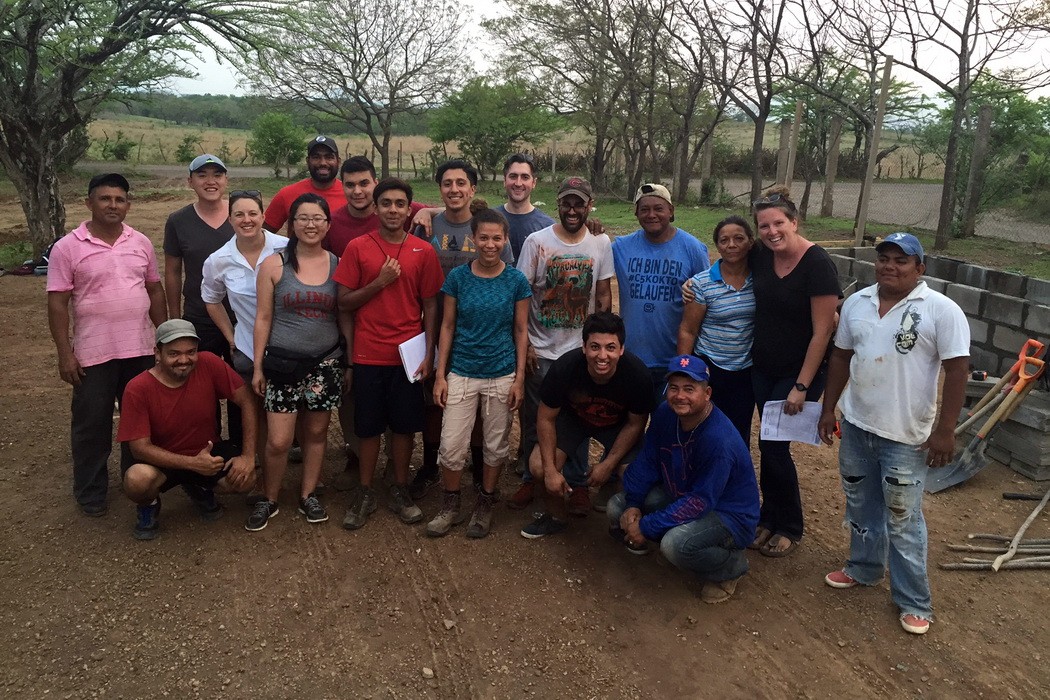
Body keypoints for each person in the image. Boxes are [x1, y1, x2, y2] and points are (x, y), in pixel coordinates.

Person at [818, 233, 969, 635]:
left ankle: (914, 600)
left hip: (906, 436)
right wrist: (828, 409)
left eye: (901, 261)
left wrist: (945, 431)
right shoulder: (857, 303)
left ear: (920, 268)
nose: (890, 266)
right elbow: (841, 357)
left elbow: (958, 370)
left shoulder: (941, 310)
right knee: (860, 504)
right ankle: (864, 568)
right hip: (856, 426)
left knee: (903, 518)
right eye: (884, 258)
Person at [46, 173, 166, 516]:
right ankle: (91, 491)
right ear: (89, 203)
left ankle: (136, 481)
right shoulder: (67, 247)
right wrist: (65, 354)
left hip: (140, 350)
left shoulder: (140, 242)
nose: (113, 205)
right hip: (92, 354)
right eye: (105, 198)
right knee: (91, 424)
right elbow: (57, 303)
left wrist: (163, 338)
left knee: (138, 424)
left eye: (119, 199)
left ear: (128, 205)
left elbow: (154, 290)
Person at [334, 178, 444, 530]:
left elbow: (430, 305)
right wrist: (379, 282)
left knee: (404, 426)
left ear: (409, 209)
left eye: (400, 204)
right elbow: (343, 302)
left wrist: (429, 353)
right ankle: (365, 490)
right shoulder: (357, 248)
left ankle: (399, 487)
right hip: (368, 355)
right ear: (375, 208)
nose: (393, 210)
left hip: (407, 358)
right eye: (386, 203)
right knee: (368, 428)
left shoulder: (423, 251)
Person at [607, 354, 759, 604]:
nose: (680, 396)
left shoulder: (718, 440)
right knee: (617, 508)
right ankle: (672, 536)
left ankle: (731, 567)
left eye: (689, 389)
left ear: (707, 393)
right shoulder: (666, 413)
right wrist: (634, 503)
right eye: (674, 388)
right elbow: (648, 460)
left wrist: (646, 526)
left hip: (727, 514)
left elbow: (700, 501)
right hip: (682, 491)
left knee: (674, 545)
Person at [509, 176, 614, 515]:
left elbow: (602, 294)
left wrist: (599, 345)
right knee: (534, 416)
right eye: (566, 203)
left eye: (578, 204)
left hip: (579, 351)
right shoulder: (537, 241)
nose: (572, 210)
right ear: (558, 204)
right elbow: (522, 295)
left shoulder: (600, 243)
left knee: (579, 417)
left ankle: (578, 483)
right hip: (541, 349)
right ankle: (531, 476)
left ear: (589, 205)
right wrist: (525, 345)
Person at [410, 160, 513, 499]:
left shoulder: (487, 228)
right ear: (439, 188)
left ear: (472, 189)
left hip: (478, 331)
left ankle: (479, 465)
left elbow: (506, 280)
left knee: (480, 401)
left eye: (461, 183)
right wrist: (426, 211)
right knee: (433, 398)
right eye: (447, 183)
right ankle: (430, 463)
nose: (454, 189)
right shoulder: (426, 226)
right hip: (434, 324)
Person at [426, 208, 531, 538]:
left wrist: (519, 378)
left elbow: (521, 330)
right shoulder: (458, 278)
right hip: (462, 369)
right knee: (451, 444)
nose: (490, 244)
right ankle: (451, 502)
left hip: (501, 371)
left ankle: (485, 501)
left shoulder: (516, 281)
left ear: (505, 240)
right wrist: (440, 374)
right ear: (473, 239)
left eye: (496, 238)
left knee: (495, 444)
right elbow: (447, 325)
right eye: (483, 238)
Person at [749, 186, 840, 557]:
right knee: (768, 443)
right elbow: (729, 262)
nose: (772, 232)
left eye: (778, 224)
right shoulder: (761, 255)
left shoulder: (817, 264)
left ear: (794, 222)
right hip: (763, 367)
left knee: (773, 446)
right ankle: (768, 518)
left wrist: (802, 386)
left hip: (800, 372)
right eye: (764, 226)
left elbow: (824, 330)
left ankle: (789, 525)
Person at [247, 194, 345, 531]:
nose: (310, 225)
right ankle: (269, 497)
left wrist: (348, 363)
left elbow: (343, 314)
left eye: (318, 218)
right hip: (283, 365)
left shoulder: (337, 264)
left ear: (328, 225)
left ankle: (308, 494)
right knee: (278, 440)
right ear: (292, 224)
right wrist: (258, 367)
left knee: (316, 433)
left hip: (325, 362)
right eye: (303, 218)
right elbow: (263, 318)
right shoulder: (273, 265)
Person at [117, 320, 259, 540]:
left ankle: (199, 485)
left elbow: (247, 400)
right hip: (161, 459)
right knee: (137, 481)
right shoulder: (138, 388)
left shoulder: (209, 363)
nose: (184, 360)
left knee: (246, 479)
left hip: (205, 452)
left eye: (190, 352)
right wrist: (193, 464)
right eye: (174, 353)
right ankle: (149, 504)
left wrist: (248, 455)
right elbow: (140, 448)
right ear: (158, 353)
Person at [520, 312, 652, 539]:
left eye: (611, 347)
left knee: (633, 473)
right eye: (595, 347)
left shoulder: (638, 375)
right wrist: (550, 471)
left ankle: (621, 524)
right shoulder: (565, 367)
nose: (602, 356)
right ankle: (556, 517)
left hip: (616, 425)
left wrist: (608, 464)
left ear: (621, 349)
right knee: (539, 466)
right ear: (583, 347)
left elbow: (635, 424)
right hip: (573, 420)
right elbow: (545, 418)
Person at [200, 190, 288, 493]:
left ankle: (302, 476)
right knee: (258, 413)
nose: (246, 220)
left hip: (288, 346)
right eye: (239, 214)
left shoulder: (285, 248)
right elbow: (211, 300)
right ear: (230, 219)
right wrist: (230, 337)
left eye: (252, 213)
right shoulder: (219, 260)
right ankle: (263, 475)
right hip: (249, 350)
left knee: (295, 413)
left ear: (263, 216)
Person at [163, 154, 241, 447]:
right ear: (190, 181)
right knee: (200, 385)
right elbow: (173, 271)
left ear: (226, 179)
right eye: (202, 175)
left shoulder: (241, 214)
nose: (211, 181)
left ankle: (240, 447)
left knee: (239, 384)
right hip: (198, 317)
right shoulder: (178, 221)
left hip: (240, 317)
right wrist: (175, 319)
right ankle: (207, 447)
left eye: (217, 175)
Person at [612, 183, 710, 403]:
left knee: (668, 420)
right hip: (631, 358)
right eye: (644, 209)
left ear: (671, 211)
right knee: (632, 419)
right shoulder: (620, 247)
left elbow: (706, 299)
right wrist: (593, 228)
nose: (651, 215)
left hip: (674, 360)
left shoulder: (693, 249)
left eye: (659, 208)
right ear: (636, 213)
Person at [678, 216, 757, 445]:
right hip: (710, 366)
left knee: (738, 431)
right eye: (724, 240)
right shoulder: (701, 284)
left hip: (745, 369)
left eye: (738, 238)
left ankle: (734, 467)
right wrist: (684, 369)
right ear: (717, 246)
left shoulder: (762, 278)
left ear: (750, 242)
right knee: (702, 426)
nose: (731, 245)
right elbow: (688, 330)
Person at [263, 136, 346, 233]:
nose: (323, 163)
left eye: (329, 157)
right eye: (316, 157)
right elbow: (263, 234)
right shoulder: (287, 194)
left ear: (338, 161)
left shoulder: (350, 195)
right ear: (307, 161)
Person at [496, 153, 555, 261]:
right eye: (513, 176)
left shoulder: (548, 227)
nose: (518, 183)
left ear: (534, 183)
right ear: (504, 181)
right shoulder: (489, 220)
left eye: (525, 177)